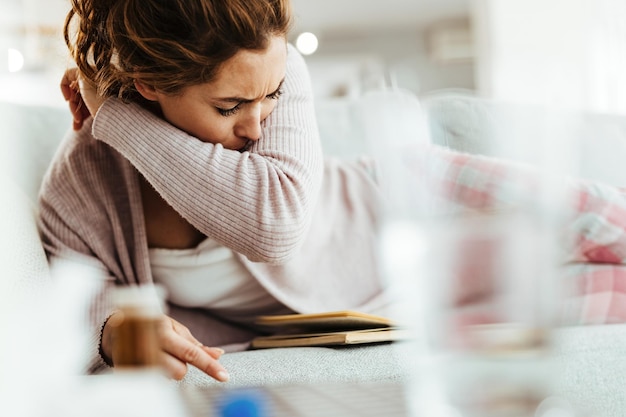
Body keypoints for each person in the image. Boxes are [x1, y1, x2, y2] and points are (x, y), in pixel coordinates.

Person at [40, 0, 626, 383]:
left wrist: (110, 114)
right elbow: (83, 301)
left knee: (605, 220)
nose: (255, 126)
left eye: (268, 96)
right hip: (380, 313)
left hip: (405, 202)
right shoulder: (81, 184)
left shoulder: (283, 70)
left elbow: (274, 224)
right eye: (228, 106)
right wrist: (111, 329)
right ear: (149, 85)